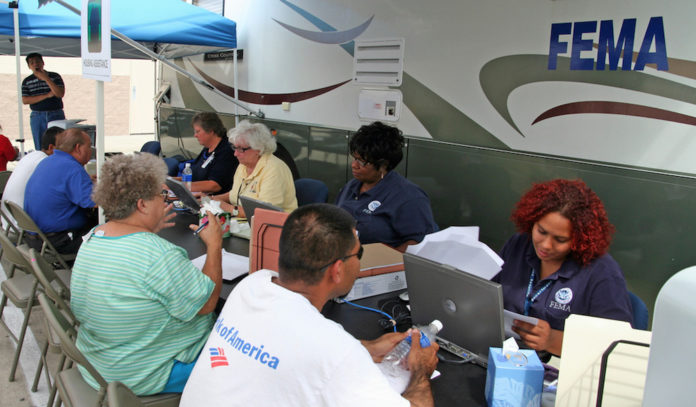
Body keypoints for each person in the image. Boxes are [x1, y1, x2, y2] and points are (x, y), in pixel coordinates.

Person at [180, 204, 439, 406]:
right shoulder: (332, 348)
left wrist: (367, 348)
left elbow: (288, 345)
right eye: (358, 254)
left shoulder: (252, 286)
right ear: (337, 270)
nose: (360, 260)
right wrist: (421, 370)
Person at [70, 153, 224, 395]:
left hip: (98, 363)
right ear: (141, 204)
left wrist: (146, 230)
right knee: (247, 360)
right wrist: (215, 246)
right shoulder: (158, 255)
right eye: (161, 196)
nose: (164, 202)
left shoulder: (94, 235)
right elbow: (207, 304)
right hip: (143, 373)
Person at [492, 179, 633, 357]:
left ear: (581, 239)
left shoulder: (602, 272)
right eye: (541, 231)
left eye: (560, 240)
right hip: (501, 355)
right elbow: (488, 297)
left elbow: (617, 348)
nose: (546, 245)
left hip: (560, 369)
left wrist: (552, 340)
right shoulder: (518, 244)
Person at [335, 121, 438, 252]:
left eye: (362, 161)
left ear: (383, 164)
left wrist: (386, 260)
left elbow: (417, 243)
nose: (354, 165)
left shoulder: (409, 197)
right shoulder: (352, 186)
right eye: (354, 158)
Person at [24, 128, 96, 254]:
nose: (91, 151)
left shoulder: (48, 161)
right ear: (78, 148)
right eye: (89, 146)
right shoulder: (72, 168)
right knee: (112, 229)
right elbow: (98, 202)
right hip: (57, 241)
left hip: (34, 238)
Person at [212, 120, 297, 216]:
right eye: (235, 148)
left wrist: (227, 208)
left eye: (240, 149)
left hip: (273, 225)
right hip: (243, 223)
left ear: (258, 149)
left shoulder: (274, 169)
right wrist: (213, 199)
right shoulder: (244, 165)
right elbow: (235, 194)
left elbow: (264, 212)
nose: (235, 154)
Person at [2, 126, 60, 229]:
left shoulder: (31, 156)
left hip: (8, 222)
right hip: (24, 227)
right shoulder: (45, 163)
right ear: (51, 148)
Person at [21, 53, 66, 151]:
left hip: (56, 113)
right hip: (38, 115)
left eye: (37, 61)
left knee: (59, 142)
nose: (35, 64)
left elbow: (60, 93)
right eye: (32, 63)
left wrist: (46, 78)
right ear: (29, 66)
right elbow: (25, 100)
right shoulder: (27, 81)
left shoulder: (55, 76)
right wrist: (46, 95)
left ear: (42, 63)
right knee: (40, 144)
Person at [186, 112, 238, 193]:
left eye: (198, 131)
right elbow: (193, 174)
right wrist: (171, 181)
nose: (195, 135)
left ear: (210, 131)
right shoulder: (207, 149)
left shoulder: (227, 151)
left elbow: (215, 185)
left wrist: (183, 187)